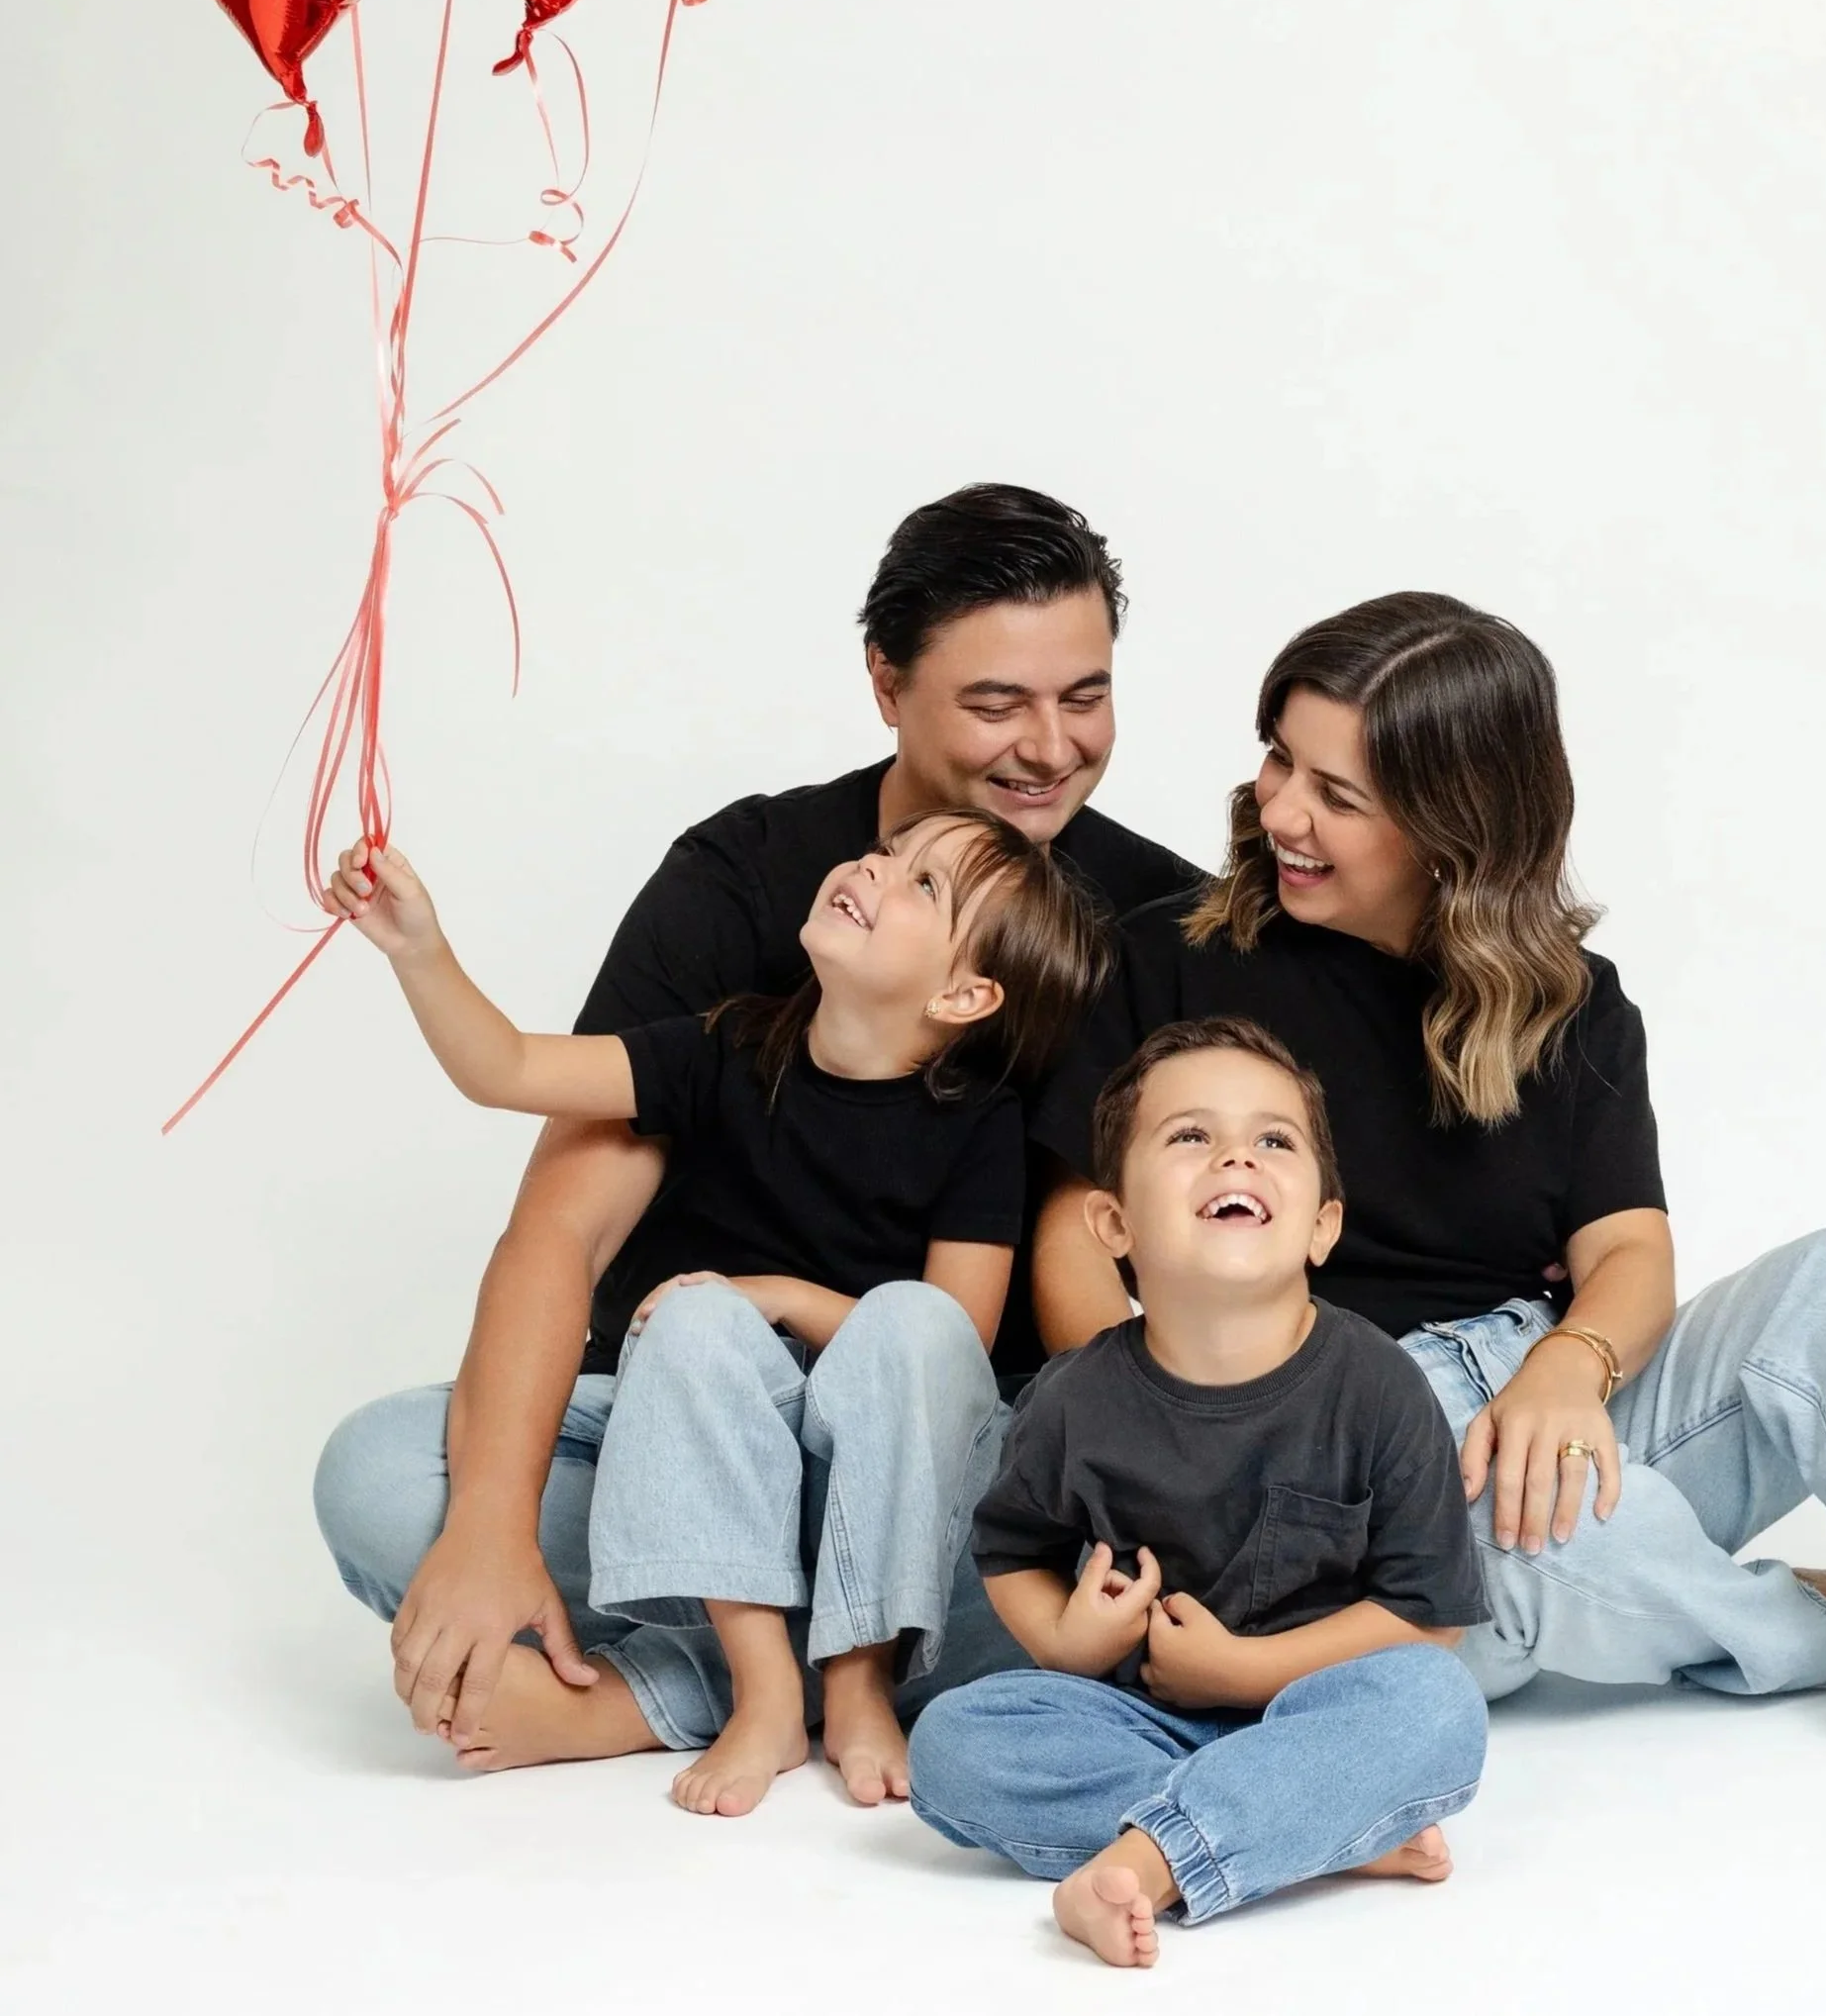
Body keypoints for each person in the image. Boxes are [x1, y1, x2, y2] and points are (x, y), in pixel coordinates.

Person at [1030, 593, 1826, 1817]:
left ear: (1455, 826)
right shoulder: (1171, 958)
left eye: (1336, 795)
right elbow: (1077, 1235)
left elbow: (1630, 1252)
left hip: (1552, 1405)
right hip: (1329, 1451)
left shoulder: (1572, 1004)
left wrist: (1569, 1365)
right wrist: (1173, 1444)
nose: (1280, 809)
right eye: (1280, 758)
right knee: (1528, 1533)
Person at [313, 485, 1201, 1773]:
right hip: (693, 1427)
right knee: (383, 1480)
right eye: (996, 703)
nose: (1050, 748)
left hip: (949, 1455)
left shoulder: (1155, 919)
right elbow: (559, 1224)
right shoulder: (748, 889)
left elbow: (1076, 1280)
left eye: (1085, 696)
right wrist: (492, 1523)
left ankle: (669, 1693)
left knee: (1147, 1528)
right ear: (885, 681)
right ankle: (848, 1663)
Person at [326, 808, 1106, 1810]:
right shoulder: (725, 1045)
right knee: (393, 1463)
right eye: (886, 851)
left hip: (895, 1484)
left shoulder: (980, 1120)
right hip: (706, 1450)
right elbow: (508, 1068)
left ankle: (808, 1680)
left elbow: (954, 1339)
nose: (874, 867)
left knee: (928, 1349)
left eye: (923, 884)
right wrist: (419, 951)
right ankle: (767, 1684)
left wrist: (775, 1297)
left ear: (963, 994)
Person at [911, 1018, 1488, 1968]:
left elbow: (1428, 1622)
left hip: (1322, 1714)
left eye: (1274, 1140)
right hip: (1138, 1721)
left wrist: (1244, 1674)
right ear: (1113, 1225)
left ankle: (1148, 1862)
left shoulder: (1378, 1385)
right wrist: (1067, 1644)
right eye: (1189, 1135)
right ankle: (1307, 1829)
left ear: (1322, 1226)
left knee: (1436, 1706)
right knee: (952, 1742)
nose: (1235, 1157)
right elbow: (1012, 1552)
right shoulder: (1073, 1398)